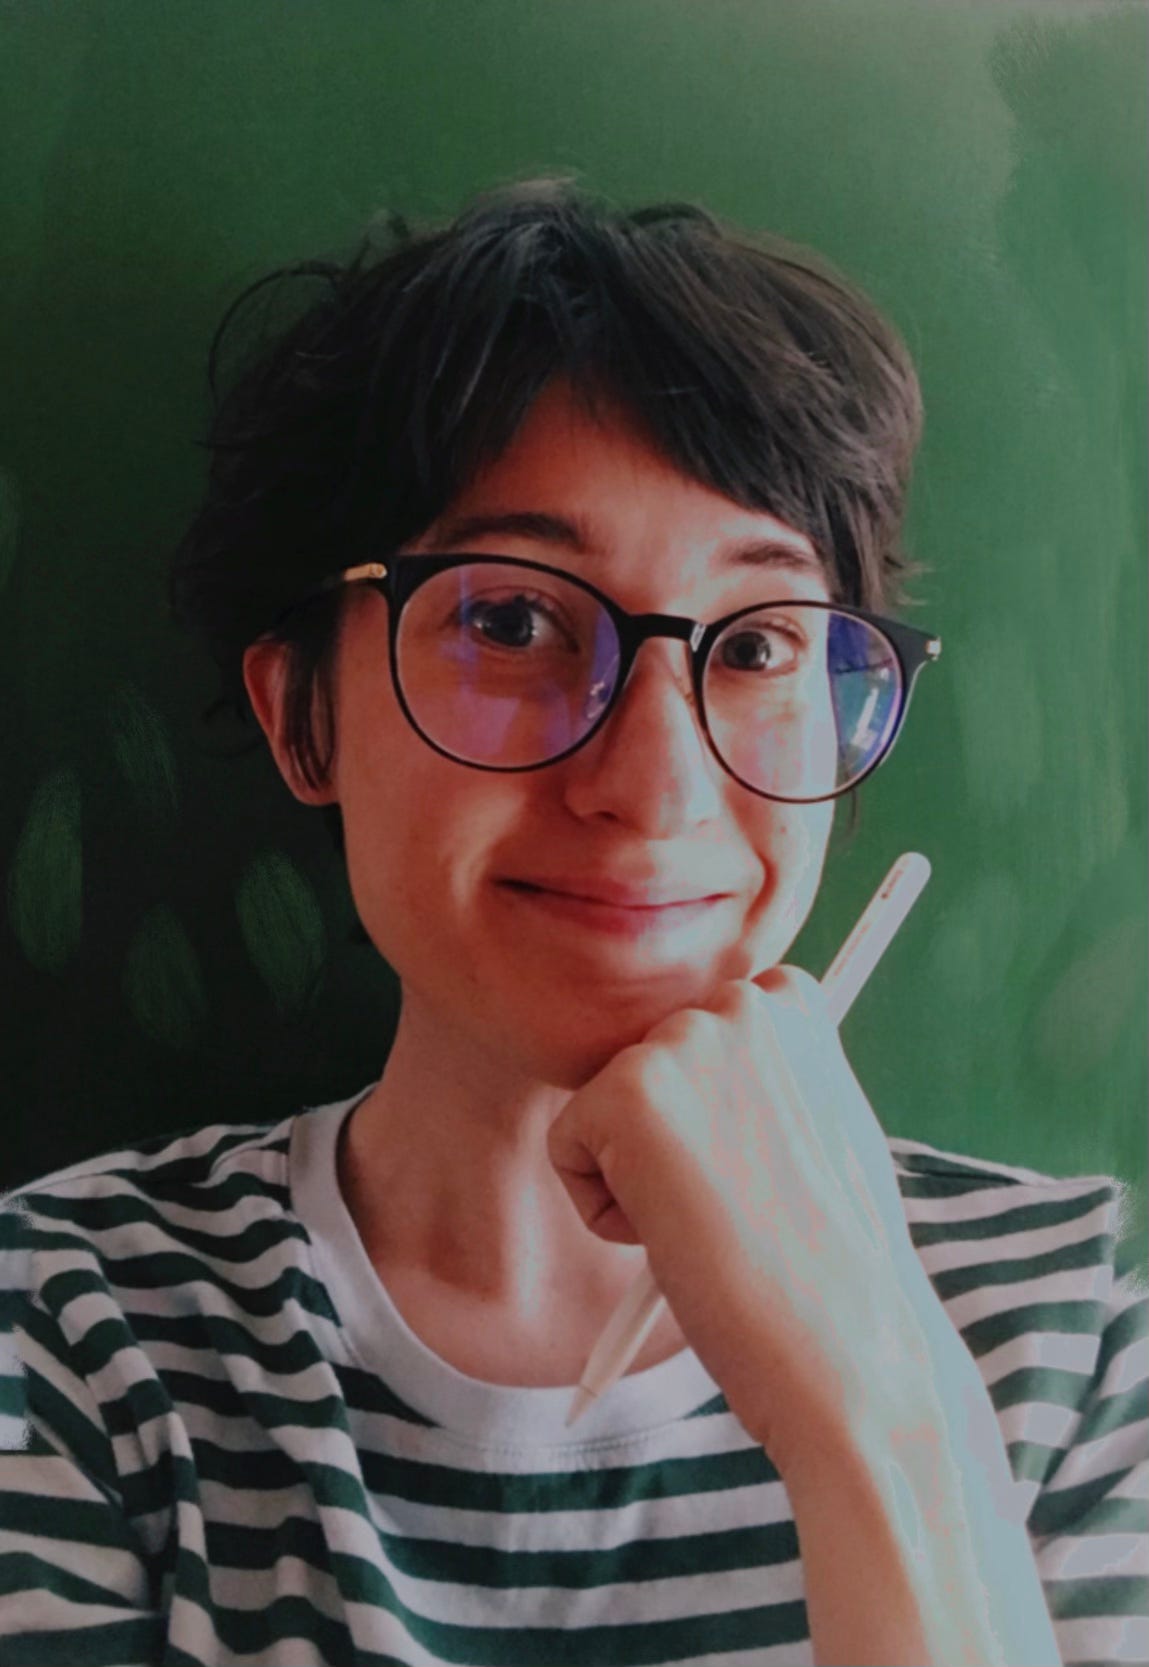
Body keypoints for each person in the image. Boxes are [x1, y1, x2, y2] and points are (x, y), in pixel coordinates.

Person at [1, 177, 1145, 1665]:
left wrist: (872, 1399)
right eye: (512, 621)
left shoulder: (1063, 1333)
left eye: (755, 644)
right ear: (303, 719)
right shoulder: (68, 1337)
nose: (656, 787)